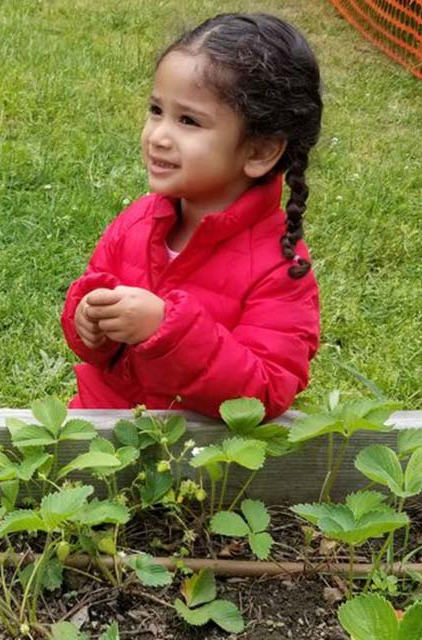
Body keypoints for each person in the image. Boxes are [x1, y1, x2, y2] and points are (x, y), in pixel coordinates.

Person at [61, 13, 322, 419]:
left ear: (259, 151)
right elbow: (98, 352)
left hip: (196, 462)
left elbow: (265, 392)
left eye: (188, 121)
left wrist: (166, 330)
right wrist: (88, 322)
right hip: (100, 431)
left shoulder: (280, 269)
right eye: (155, 110)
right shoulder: (136, 222)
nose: (159, 136)